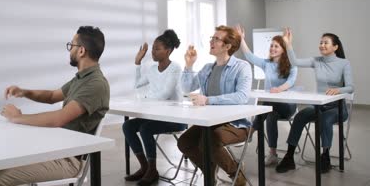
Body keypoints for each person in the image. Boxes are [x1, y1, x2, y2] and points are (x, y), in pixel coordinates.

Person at [0, 26, 110, 186]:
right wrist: (24, 92)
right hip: (54, 147)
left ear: (81, 51)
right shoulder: (81, 78)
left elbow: (59, 119)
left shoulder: (95, 84)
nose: (70, 49)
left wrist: (18, 117)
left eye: (71, 45)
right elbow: (52, 96)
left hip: (68, 159)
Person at [177, 25, 252, 186]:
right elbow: (186, 87)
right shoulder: (206, 68)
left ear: (227, 46)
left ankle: (236, 174)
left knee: (209, 139)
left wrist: (208, 100)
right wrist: (189, 65)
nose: (211, 41)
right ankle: (209, 171)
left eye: (216, 39)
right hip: (210, 122)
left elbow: (242, 96)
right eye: (212, 38)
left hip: (236, 124)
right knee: (184, 142)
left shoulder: (242, 67)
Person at [276, 28, 354, 174]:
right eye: (321, 42)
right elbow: (295, 61)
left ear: (335, 47)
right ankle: (289, 157)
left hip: (337, 108)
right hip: (319, 106)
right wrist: (288, 44)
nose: (322, 45)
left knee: (325, 118)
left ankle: (325, 156)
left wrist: (339, 90)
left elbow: (350, 87)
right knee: (300, 117)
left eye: (326, 42)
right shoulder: (316, 61)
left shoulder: (344, 63)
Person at [123, 29, 187, 186]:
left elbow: (164, 95)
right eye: (153, 48)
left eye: (157, 49)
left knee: (145, 128)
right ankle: (145, 167)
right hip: (154, 116)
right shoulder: (152, 69)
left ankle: (152, 170)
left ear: (169, 50)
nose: (153, 51)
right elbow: (137, 84)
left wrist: (144, 99)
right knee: (128, 126)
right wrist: (137, 63)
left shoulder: (175, 68)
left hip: (175, 119)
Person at [236, 25, 298, 166]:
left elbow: (291, 81)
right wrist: (241, 39)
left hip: (288, 106)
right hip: (272, 108)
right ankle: (273, 154)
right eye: (271, 46)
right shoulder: (267, 64)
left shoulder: (292, 64)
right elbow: (249, 56)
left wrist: (279, 89)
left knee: (265, 108)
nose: (272, 48)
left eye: (276, 46)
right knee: (269, 114)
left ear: (283, 49)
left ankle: (249, 132)